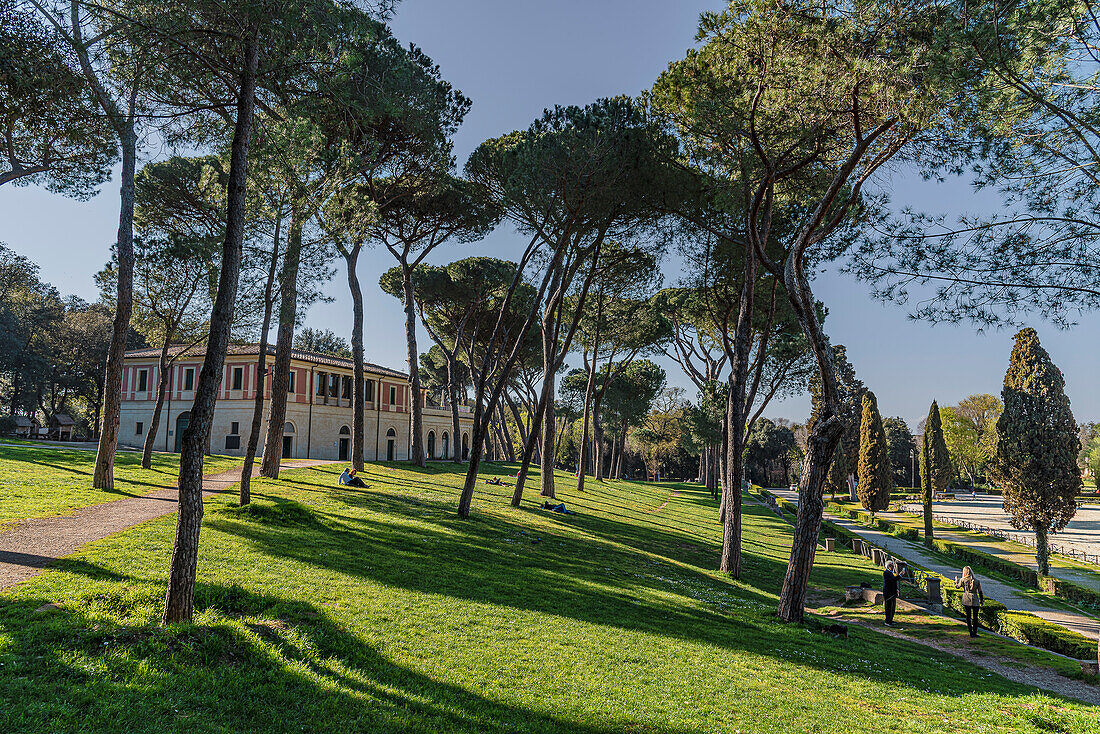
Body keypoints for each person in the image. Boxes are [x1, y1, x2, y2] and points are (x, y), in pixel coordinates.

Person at [955, 566, 984, 637]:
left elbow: (957, 586)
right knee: (975, 617)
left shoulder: (963, 580)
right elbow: (980, 592)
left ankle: (970, 632)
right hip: (975, 599)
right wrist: (981, 600)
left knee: (968, 616)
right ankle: (975, 632)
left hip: (966, 598)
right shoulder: (977, 581)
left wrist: (956, 581)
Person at [882, 560, 903, 626]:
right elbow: (892, 580)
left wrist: (896, 589)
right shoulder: (886, 573)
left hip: (892, 592)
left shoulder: (890, 573)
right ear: (888, 566)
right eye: (891, 565)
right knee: (888, 607)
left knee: (892, 607)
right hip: (888, 593)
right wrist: (900, 575)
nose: (893, 566)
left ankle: (890, 619)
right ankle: (887, 621)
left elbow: (894, 582)